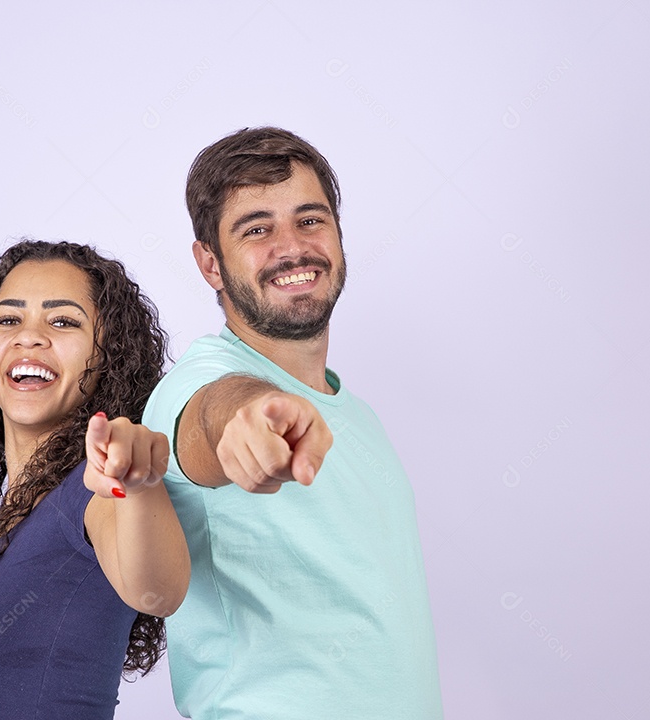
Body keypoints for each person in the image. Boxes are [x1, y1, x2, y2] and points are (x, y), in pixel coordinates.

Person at [142, 127, 443, 718]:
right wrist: (248, 417)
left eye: (310, 220)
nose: (292, 247)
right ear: (210, 264)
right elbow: (213, 416)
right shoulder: (195, 384)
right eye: (256, 229)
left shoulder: (359, 417)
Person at [0, 239, 190, 719]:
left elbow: (156, 592)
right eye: (8, 320)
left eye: (63, 321)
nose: (30, 337)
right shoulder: (11, 515)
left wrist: (136, 484)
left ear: (108, 355)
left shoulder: (95, 490)